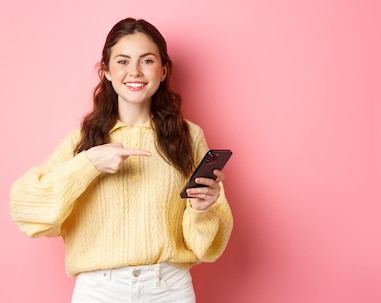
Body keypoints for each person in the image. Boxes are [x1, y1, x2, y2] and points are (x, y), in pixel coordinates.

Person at [9, 17, 233, 302]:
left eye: (147, 61)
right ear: (107, 71)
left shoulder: (189, 136)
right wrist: (88, 165)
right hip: (100, 290)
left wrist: (202, 209)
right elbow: (26, 207)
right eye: (123, 61)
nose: (135, 72)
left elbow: (206, 247)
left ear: (163, 71)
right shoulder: (84, 139)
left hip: (169, 288)